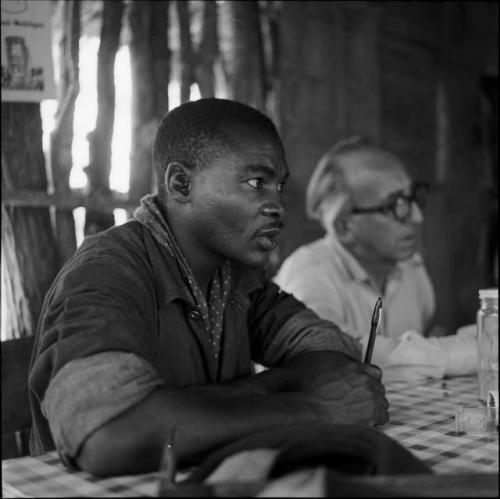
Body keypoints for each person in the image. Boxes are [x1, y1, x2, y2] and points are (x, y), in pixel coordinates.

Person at [28, 99, 388, 477]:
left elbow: (330, 356)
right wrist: (311, 407)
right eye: (255, 182)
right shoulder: (108, 272)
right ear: (181, 183)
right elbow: (109, 439)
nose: (277, 205)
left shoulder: (237, 276)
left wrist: (182, 406)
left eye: (278, 186)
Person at [274, 137, 477, 381]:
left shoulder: (410, 267)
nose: (417, 216)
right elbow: (338, 359)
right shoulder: (308, 275)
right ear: (345, 226)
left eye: (413, 198)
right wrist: (465, 350)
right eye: (396, 205)